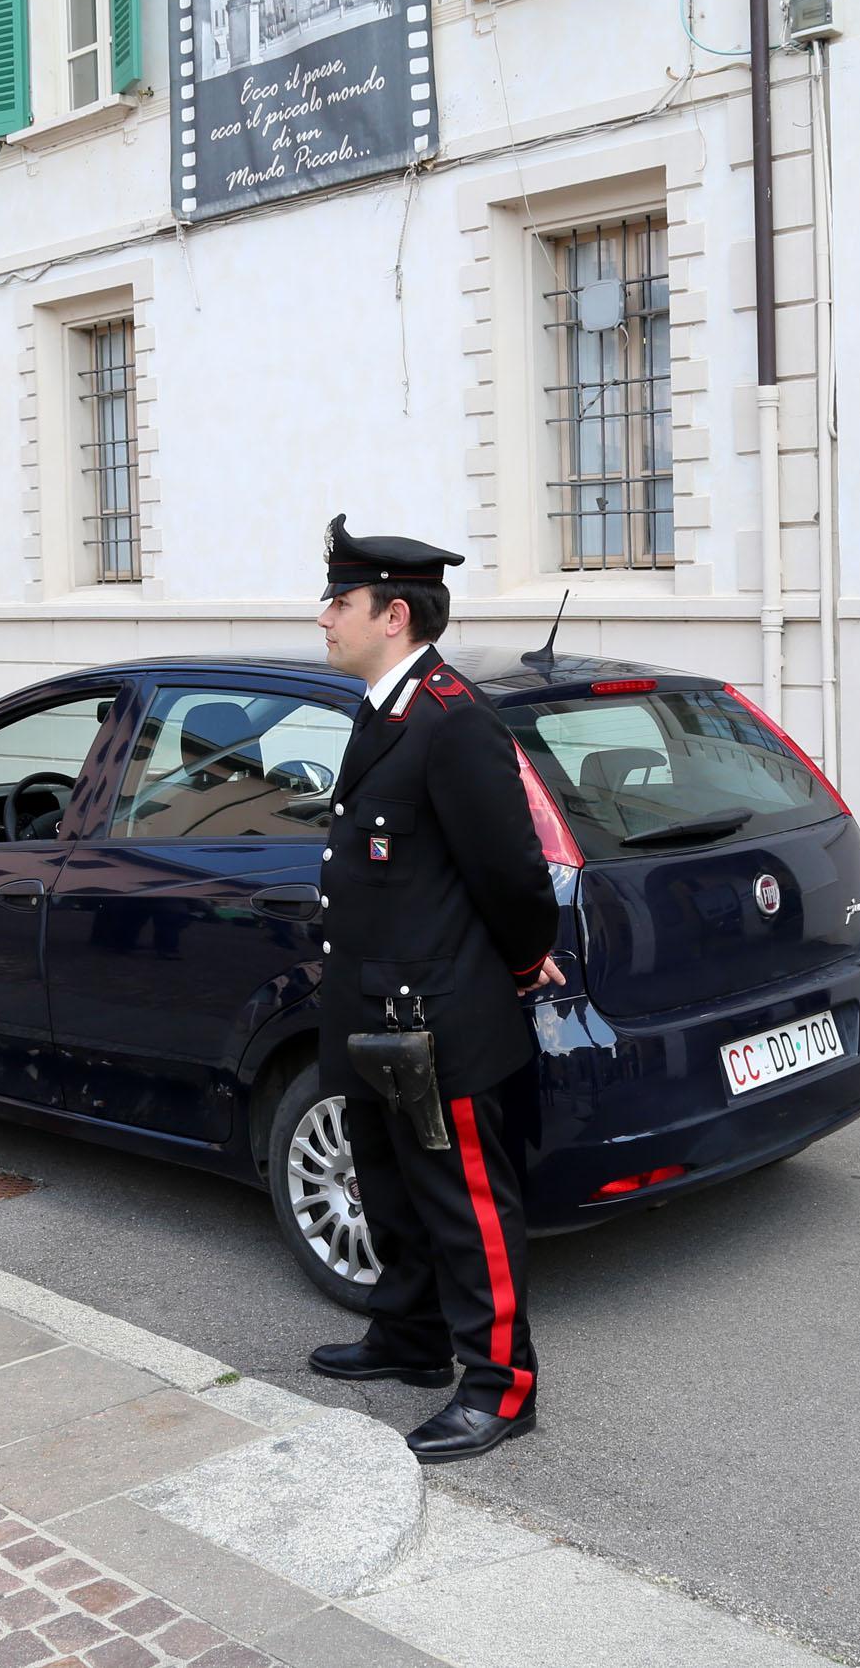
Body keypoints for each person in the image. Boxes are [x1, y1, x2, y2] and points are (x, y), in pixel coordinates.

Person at [307, 514, 565, 1463]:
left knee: (466, 1206)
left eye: (339, 601)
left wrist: (520, 964)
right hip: (372, 1004)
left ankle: (500, 1387)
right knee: (388, 1186)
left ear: (394, 615)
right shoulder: (386, 709)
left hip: (437, 1016)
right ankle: (411, 1336)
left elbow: (512, 874)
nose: (324, 617)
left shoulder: (453, 721)